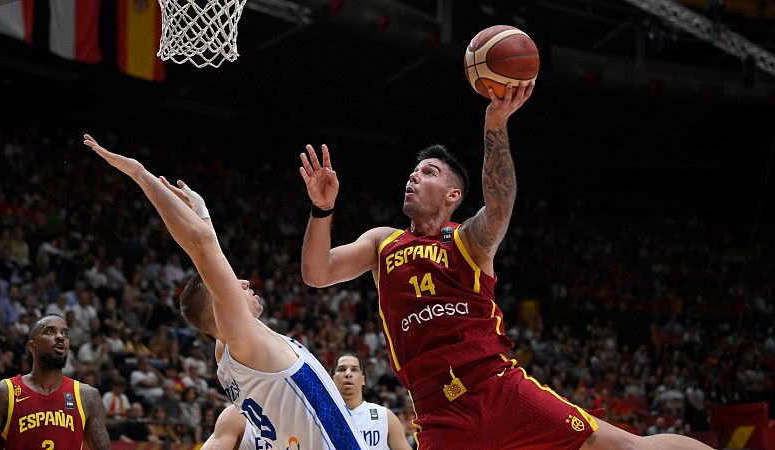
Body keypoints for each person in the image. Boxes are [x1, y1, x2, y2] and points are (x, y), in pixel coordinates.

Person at [299, 83, 713, 449]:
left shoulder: (467, 239)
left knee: (626, 447)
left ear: (453, 194)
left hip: (498, 388)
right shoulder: (382, 242)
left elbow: (499, 204)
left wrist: (495, 122)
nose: (413, 176)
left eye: (428, 172)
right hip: (437, 412)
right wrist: (322, 210)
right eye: (412, 171)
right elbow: (316, 274)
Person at [84, 134, 367, 450]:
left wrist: (203, 213)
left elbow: (210, 254)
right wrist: (140, 174)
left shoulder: (227, 353)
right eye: (234, 285)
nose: (244, 283)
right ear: (220, 305)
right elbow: (202, 249)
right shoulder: (245, 340)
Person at [0, 313, 111, 450]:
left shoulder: (87, 396)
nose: (60, 337)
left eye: (65, 333)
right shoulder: (1, 393)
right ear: (32, 346)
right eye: (50, 331)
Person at [333, 352, 412, 450]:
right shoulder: (321, 418)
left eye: (354, 369)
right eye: (342, 369)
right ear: (333, 379)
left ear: (363, 380)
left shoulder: (384, 416)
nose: (348, 374)